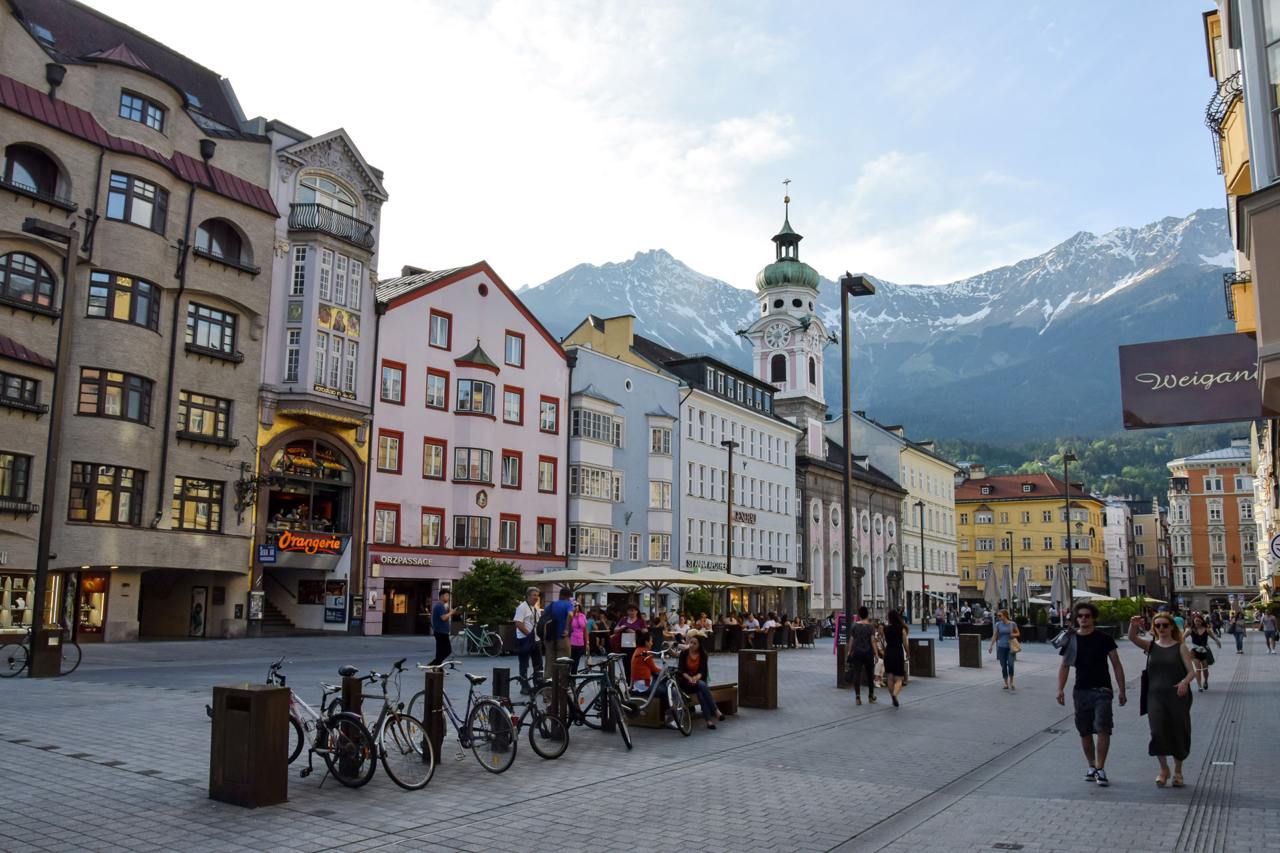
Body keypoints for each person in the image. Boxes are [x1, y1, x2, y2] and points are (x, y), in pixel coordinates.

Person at [1056, 601, 1127, 787]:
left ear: (1093, 617)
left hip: (1102, 690)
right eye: (1080, 616)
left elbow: (1116, 664)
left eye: (1087, 616)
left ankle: (1101, 768)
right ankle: (1092, 765)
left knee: (1103, 727)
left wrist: (1122, 689)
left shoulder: (1104, 638)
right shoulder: (1072, 640)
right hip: (1081, 690)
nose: (1083, 619)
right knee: (1085, 731)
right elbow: (1065, 666)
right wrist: (1059, 689)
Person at [1129, 612, 1195, 787]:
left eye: (1165, 625)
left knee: (1178, 731)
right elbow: (1132, 638)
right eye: (1158, 626)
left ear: (1172, 626)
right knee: (1157, 732)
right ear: (1154, 628)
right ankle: (1163, 769)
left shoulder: (1180, 647)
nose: (1162, 629)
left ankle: (1178, 771)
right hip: (1155, 696)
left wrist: (1184, 682)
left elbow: (1192, 671)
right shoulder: (1151, 646)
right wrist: (1133, 625)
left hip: (1177, 696)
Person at [678, 634, 724, 729]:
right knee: (702, 685)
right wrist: (690, 678)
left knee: (700, 692)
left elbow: (702, 671)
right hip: (685, 682)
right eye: (691, 642)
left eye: (695, 643)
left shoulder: (703, 654)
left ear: (699, 645)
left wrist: (696, 678)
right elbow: (681, 670)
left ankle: (709, 721)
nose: (692, 645)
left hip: (697, 681)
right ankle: (715, 711)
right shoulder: (684, 653)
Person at [844, 605, 879, 705]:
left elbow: (851, 639)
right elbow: (873, 641)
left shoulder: (854, 625)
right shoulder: (870, 626)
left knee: (857, 674)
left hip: (857, 652)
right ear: (867, 615)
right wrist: (876, 654)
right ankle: (871, 696)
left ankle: (858, 697)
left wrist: (849, 651)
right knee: (870, 674)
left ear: (859, 615)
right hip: (868, 653)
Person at [513, 587, 542, 690]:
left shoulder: (536, 608)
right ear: (528, 596)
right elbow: (518, 623)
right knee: (524, 665)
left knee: (538, 664)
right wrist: (529, 634)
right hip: (525, 639)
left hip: (536, 639)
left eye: (537, 595)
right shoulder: (522, 607)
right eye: (534, 595)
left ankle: (538, 685)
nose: (536, 598)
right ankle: (524, 687)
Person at [612, 604, 647, 682]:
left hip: (636, 646)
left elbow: (645, 631)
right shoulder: (623, 619)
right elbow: (615, 630)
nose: (631, 612)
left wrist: (636, 632)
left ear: (637, 611)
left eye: (632, 610)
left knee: (635, 665)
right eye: (629, 610)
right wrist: (622, 628)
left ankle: (635, 683)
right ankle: (628, 683)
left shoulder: (640, 621)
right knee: (627, 665)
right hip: (625, 645)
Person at [987, 609, 1021, 690]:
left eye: (1000, 615)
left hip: (1010, 647)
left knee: (1010, 664)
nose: (998, 617)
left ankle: (1011, 681)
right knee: (1003, 666)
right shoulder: (998, 624)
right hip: (1001, 647)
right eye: (998, 616)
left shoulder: (1012, 624)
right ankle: (1005, 683)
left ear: (1005, 615)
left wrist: (1013, 634)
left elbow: (1018, 633)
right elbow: (995, 635)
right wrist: (991, 646)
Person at [1186, 614, 1220, 691]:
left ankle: (1206, 681)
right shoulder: (1190, 630)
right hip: (1195, 651)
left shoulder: (1206, 629)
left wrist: (1217, 641)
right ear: (1193, 621)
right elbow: (1182, 637)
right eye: (1196, 621)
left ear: (1202, 621)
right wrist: (1184, 647)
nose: (1197, 622)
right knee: (1198, 669)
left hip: (1205, 651)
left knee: (1205, 669)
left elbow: (1214, 637)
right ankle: (1199, 686)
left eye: (1199, 620)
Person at [882, 610, 908, 707]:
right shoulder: (902, 629)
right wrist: (908, 654)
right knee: (899, 678)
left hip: (888, 652)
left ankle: (892, 697)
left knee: (890, 677)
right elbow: (905, 643)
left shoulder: (886, 629)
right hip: (898, 653)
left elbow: (885, 642)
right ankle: (894, 694)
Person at [543, 587, 574, 666]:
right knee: (563, 663)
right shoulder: (568, 604)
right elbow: (570, 615)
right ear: (567, 596)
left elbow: (544, 616)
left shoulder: (551, 604)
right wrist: (567, 629)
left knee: (550, 663)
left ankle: (549, 678)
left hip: (550, 638)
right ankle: (562, 678)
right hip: (562, 638)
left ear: (560, 595)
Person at [429, 589, 459, 667]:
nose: (448, 597)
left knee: (440, 652)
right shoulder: (439, 606)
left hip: (442, 632)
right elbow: (443, 618)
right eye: (447, 596)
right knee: (447, 651)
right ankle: (433, 665)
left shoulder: (442, 606)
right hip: (440, 632)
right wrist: (451, 612)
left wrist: (449, 610)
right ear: (442, 596)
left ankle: (437, 667)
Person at [569, 601, 588, 671]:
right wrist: (573, 616)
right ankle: (568, 678)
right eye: (574, 606)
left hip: (580, 642)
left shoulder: (582, 616)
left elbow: (585, 630)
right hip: (571, 641)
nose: (576, 607)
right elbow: (568, 628)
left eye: (577, 605)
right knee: (569, 661)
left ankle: (573, 679)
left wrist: (587, 642)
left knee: (576, 662)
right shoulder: (569, 616)